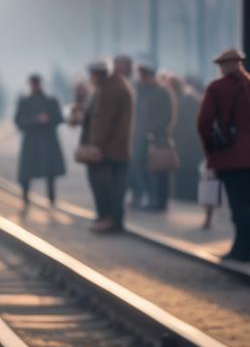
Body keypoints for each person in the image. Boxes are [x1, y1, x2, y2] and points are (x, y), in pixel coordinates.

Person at [197, 47, 250, 266]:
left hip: (230, 157)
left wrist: (212, 150)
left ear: (226, 65)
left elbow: (204, 123)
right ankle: (243, 250)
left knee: (240, 209)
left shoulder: (217, 88)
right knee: (246, 205)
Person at [81, 57, 134, 233]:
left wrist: (95, 145)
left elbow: (102, 121)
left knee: (105, 187)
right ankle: (111, 219)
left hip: (107, 151)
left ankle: (108, 219)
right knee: (114, 187)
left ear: (98, 74)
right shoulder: (116, 86)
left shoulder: (109, 90)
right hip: (116, 149)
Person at [13, 73, 66, 210]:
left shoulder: (50, 101)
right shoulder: (25, 102)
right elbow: (19, 121)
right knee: (26, 173)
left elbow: (59, 119)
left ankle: (52, 199)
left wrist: (48, 119)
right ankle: (25, 198)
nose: (35, 86)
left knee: (50, 172)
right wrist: (36, 120)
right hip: (31, 142)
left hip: (48, 140)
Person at [133, 62, 177, 211]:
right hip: (141, 138)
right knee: (144, 170)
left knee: (159, 171)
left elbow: (167, 115)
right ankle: (151, 199)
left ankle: (159, 202)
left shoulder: (162, 92)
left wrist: (153, 129)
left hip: (158, 138)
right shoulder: (140, 91)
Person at [168, 74, 203, 203]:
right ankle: (185, 197)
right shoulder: (188, 99)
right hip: (186, 146)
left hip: (190, 146)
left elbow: (191, 126)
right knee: (184, 173)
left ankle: (188, 198)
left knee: (188, 173)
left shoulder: (189, 101)